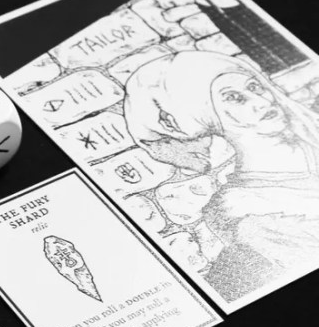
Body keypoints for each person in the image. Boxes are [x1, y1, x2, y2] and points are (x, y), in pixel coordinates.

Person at [123, 50, 319, 299]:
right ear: (198, 116)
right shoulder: (238, 210)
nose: (261, 101)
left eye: (254, 87)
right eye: (234, 98)